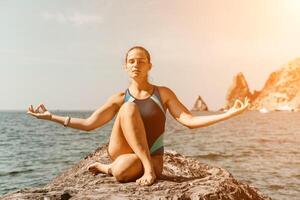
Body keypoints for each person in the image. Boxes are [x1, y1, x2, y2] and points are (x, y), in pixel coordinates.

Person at [27, 46, 249, 186]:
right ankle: (147, 169)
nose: (136, 64)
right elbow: (89, 124)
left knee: (122, 173)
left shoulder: (163, 93)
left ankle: (106, 167)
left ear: (150, 65)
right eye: (131, 61)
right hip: (124, 151)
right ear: (125, 66)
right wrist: (51, 117)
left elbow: (188, 120)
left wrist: (228, 113)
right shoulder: (119, 97)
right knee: (128, 108)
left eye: (141, 60)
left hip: (152, 156)